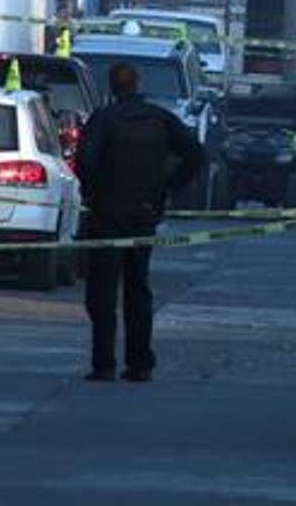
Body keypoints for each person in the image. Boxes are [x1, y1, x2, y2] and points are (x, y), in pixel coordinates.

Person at [77, 63, 204, 382]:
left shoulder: (104, 120)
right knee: (138, 289)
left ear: (111, 87)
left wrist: (95, 193)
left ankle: (104, 364)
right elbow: (196, 154)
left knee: (102, 292)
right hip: (144, 213)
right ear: (139, 84)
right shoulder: (159, 119)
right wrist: (168, 187)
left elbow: (85, 162)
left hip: (107, 215)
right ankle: (140, 362)